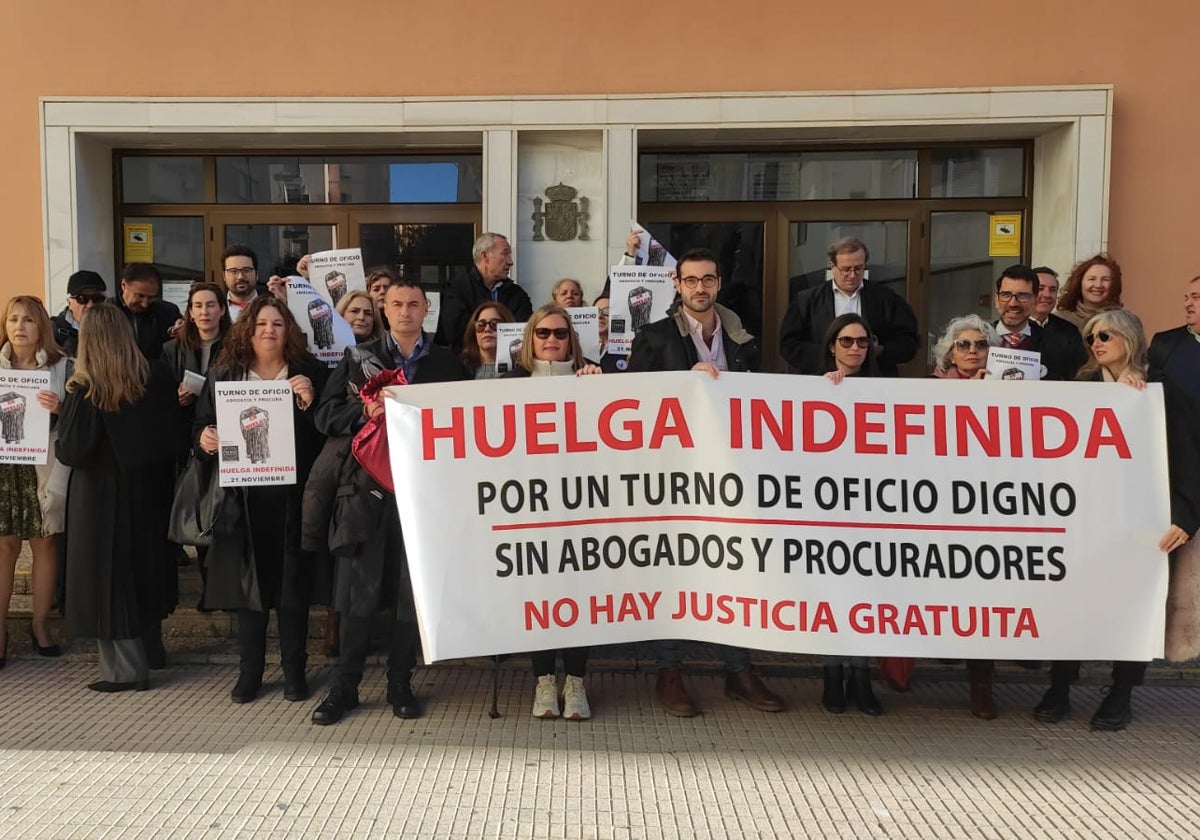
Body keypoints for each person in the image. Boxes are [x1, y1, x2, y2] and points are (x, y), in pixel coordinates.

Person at [627, 247, 783, 717]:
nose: (700, 288)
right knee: (673, 570)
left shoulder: (744, 338)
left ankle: (738, 671)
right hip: (674, 475)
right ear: (677, 285)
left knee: (734, 568)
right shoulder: (653, 337)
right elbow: (631, 400)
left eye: (708, 280)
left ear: (719, 284)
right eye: (691, 280)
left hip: (732, 474)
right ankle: (670, 672)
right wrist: (681, 379)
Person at [309, 279, 468, 726]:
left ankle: (401, 682)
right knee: (356, 594)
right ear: (385, 308)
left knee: (406, 595)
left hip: (424, 496)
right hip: (365, 492)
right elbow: (324, 416)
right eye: (396, 304)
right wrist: (363, 411)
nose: (404, 311)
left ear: (426, 309)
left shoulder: (446, 363)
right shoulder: (358, 359)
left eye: (413, 304)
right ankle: (345, 686)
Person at [1033, 308, 1174, 731]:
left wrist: (1184, 516)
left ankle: (1121, 692)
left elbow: (1183, 454)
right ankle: (1060, 685)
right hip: (1083, 517)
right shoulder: (1081, 387)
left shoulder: (1158, 389)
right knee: (1073, 599)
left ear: (1129, 339)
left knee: (1132, 606)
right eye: (1092, 336)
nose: (1096, 343)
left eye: (1105, 336)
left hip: (1141, 520)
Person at [194, 296, 328, 704]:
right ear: (247, 332)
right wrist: (205, 440)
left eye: (277, 324)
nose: (269, 331)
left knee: (292, 590)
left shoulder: (311, 373)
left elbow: (327, 432)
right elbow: (200, 427)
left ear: (289, 331)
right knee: (248, 591)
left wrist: (309, 403)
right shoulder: (225, 375)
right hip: (243, 502)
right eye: (260, 325)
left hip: (294, 498)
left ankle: (294, 672)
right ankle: (249, 672)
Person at [56, 304, 182, 691]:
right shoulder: (157, 376)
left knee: (108, 581)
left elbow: (72, 451)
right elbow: (171, 437)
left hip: (99, 497)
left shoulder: (88, 389)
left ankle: (125, 672)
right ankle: (150, 652)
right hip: (150, 491)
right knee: (143, 571)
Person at [501, 304, 601, 718]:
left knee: (578, 594)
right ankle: (544, 682)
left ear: (571, 340)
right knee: (539, 595)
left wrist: (603, 386)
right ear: (530, 339)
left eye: (560, 334)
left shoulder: (591, 378)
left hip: (581, 502)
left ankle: (576, 683)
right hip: (530, 503)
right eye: (543, 333)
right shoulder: (509, 383)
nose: (552, 341)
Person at [814, 313, 885, 715]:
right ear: (831, 345)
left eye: (862, 342)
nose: (855, 348)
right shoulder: (812, 387)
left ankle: (862, 678)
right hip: (827, 507)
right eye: (846, 341)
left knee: (866, 596)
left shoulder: (885, 388)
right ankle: (831, 676)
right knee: (833, 595)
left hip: (870, 507)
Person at [0, 296, 71, 666]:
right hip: (3, 467)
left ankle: (41, 626)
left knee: (45, 545)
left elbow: (77, 421)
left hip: (43, 464)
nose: (20, 326)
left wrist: (59, 408)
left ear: (41, 325)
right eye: (13, 319)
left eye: (28, 319)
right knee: (4, 547)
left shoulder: (62, 367)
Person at [161, 282, 232, 611]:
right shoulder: (171, 349)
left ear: (222, 309)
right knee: (199, 512)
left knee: (223, 514)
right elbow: (156, 398)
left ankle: (224, 586)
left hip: (225, 437)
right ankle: (209, 588)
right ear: (189, 312)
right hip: (184, 439)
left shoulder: (236, 346)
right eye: (198, 306)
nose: (205, 312)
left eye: (211, 305)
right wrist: (173, 400)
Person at [1148, 275, 1200, 662]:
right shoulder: (1167, 345)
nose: (1188, 304)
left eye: (1196, 298)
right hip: (1182, 475)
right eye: (1187, 297)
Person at [779, 237, 919, 377]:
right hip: (822, 382)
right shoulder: (807, 300)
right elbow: (789, 345)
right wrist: (829, 356)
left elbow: (909, 342)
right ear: (832, 266)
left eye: (858, 268)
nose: (852, 275)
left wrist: (880, 351)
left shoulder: (886, 298)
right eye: (845, 269)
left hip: (875, 382)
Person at [438, 233, 532, 352]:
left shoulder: (516, 294)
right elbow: (454, 334)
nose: (510, 262)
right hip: (467, 365)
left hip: (508, 365)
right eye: (505, 253)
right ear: (485, 256)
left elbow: (526, 331)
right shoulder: (456, 289)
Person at [991, 264, 1080, 381]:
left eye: (1022, 296)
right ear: (996, 300)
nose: (1013, 303)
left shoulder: (1059, 342)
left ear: (1034, 300)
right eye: (1006, 295)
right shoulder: (977, 339)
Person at [114, 263, 183, 360]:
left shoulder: (167, 312)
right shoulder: (106, 313)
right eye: (140, 296)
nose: (145, 304)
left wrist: (184, 331)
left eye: (151, 297)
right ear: (124, 285)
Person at [1052, 254, 1124, 335]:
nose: (1098, 285)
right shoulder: (1060, 320)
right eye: (1092, 279)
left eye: (1105, 279)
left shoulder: (1124, 321)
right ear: (1079, 283)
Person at [52, 270, 107, 357]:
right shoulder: (53, 329)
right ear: (69, 302)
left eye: (97, 298)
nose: (90, 305)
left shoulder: (114, 329)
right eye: (82, 298)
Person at [461, 301, 516, 380]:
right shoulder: (460, 368)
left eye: (494, 324)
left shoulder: (523, 369)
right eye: (480, 325)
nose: (487, 329)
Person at [932, 314, 999, 380]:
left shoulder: (1003, 380)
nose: (972, 351)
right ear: (951, 356)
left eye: (981, 344)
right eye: (963, 345)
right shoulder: (933, 384)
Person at [221, 245, 263, 322]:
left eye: (246, 270)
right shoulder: (217, 310)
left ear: (256, 274)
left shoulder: (270, 308)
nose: (240, 277)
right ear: (224, 276)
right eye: (233, 271)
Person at [591, 292, 626, 373]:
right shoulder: (582, 349)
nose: (600, 316)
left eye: (607, 311)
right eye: (595, 311)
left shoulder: (627, 349)